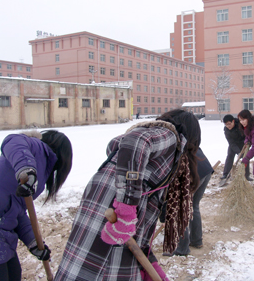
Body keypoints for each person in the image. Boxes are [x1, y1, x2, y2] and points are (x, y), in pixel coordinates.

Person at [55, 109, 201, 281]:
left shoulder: (160, 160)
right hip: (113, 210)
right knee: (93, 269)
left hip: (109, 207)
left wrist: (151, 268)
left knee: (83, 266)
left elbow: (143, 226)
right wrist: (126, 208)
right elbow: (137, 141)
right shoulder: (169, 135)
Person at [0, 130, 73, 281]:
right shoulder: (36, 147)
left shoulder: (42, 169)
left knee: (13, 273)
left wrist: (33, 242)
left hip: (4, 234)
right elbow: (12, 140)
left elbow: (17, 211)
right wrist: (26, 170)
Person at [161, 147, 214, 256]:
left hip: (194, 171)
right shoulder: (180, 135)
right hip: (205, 169)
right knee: (193, 205)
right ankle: (196, 240)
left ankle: (181, 248)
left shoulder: (166, 144)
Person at [220, 114, 253, 182]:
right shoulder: (226, 131)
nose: (228, 126)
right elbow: (231, 143)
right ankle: (225, 174)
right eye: (226, 124)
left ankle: (247, 175)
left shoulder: (240, 124)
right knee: (229, 156)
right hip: (233, 144)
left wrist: (248, 142)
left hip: (243, 143)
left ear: (233, 121)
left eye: (229, 124)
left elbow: (247, 132)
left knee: (245, 158)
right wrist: (238, 152)